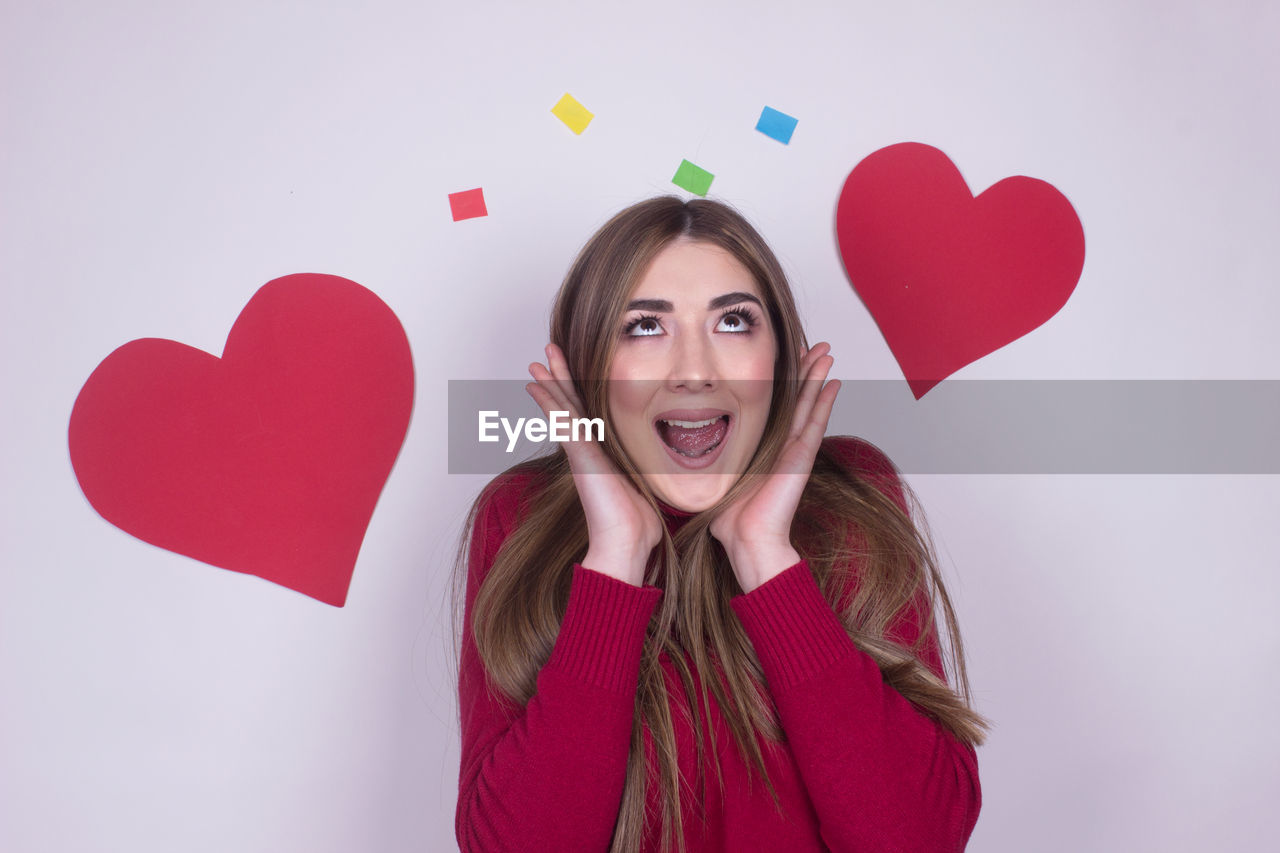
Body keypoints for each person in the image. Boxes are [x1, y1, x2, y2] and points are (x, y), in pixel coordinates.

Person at [454, 196, 986, 853]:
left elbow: (918, 841)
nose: (696, 371)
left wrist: (767, 557)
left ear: (780, 356)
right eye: (644, 327)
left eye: (733, 321)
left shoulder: (851, 496)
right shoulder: (522, 515)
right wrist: (616, 556)